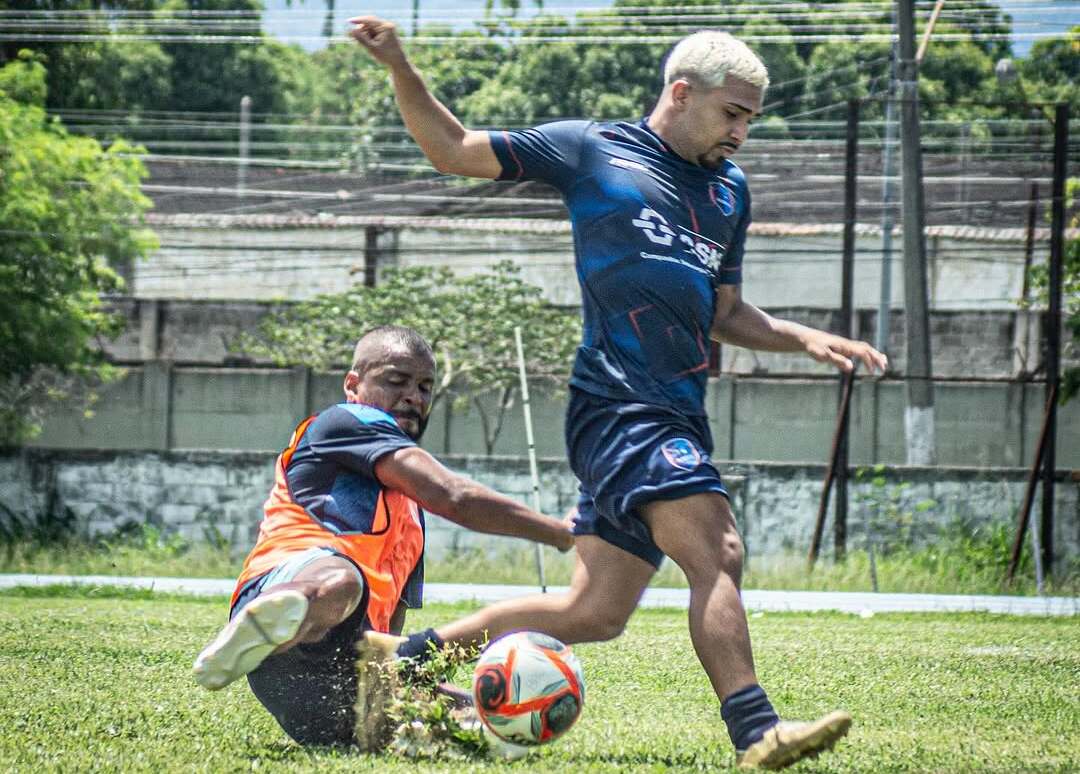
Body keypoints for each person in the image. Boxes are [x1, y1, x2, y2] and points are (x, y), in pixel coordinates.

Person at [348, 19, 889, 769]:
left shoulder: (729, 192)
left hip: (677, 411)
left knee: (593, 612)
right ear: (681, 92)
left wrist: (803, 336)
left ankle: (399, 660)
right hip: (618, 405)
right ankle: (756, 731)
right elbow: (452, 150)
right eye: (732, 114)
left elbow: (724, 313)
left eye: (750, 120)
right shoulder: (591, 148)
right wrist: (401, 65)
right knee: (717, 551)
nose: (742, 133)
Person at [191, 325, 573, 747]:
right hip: (289, 587)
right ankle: (271, 622)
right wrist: (559, 532)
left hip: (325, 681)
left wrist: (407, 690)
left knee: (486, 729)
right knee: (343, 580)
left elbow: (391, 626)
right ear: (353, 385)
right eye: (397, 381)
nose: (415, 396)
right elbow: (455, 497)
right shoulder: (345, 421)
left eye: (426, 387)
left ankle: (382, 724)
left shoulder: (409, 514)